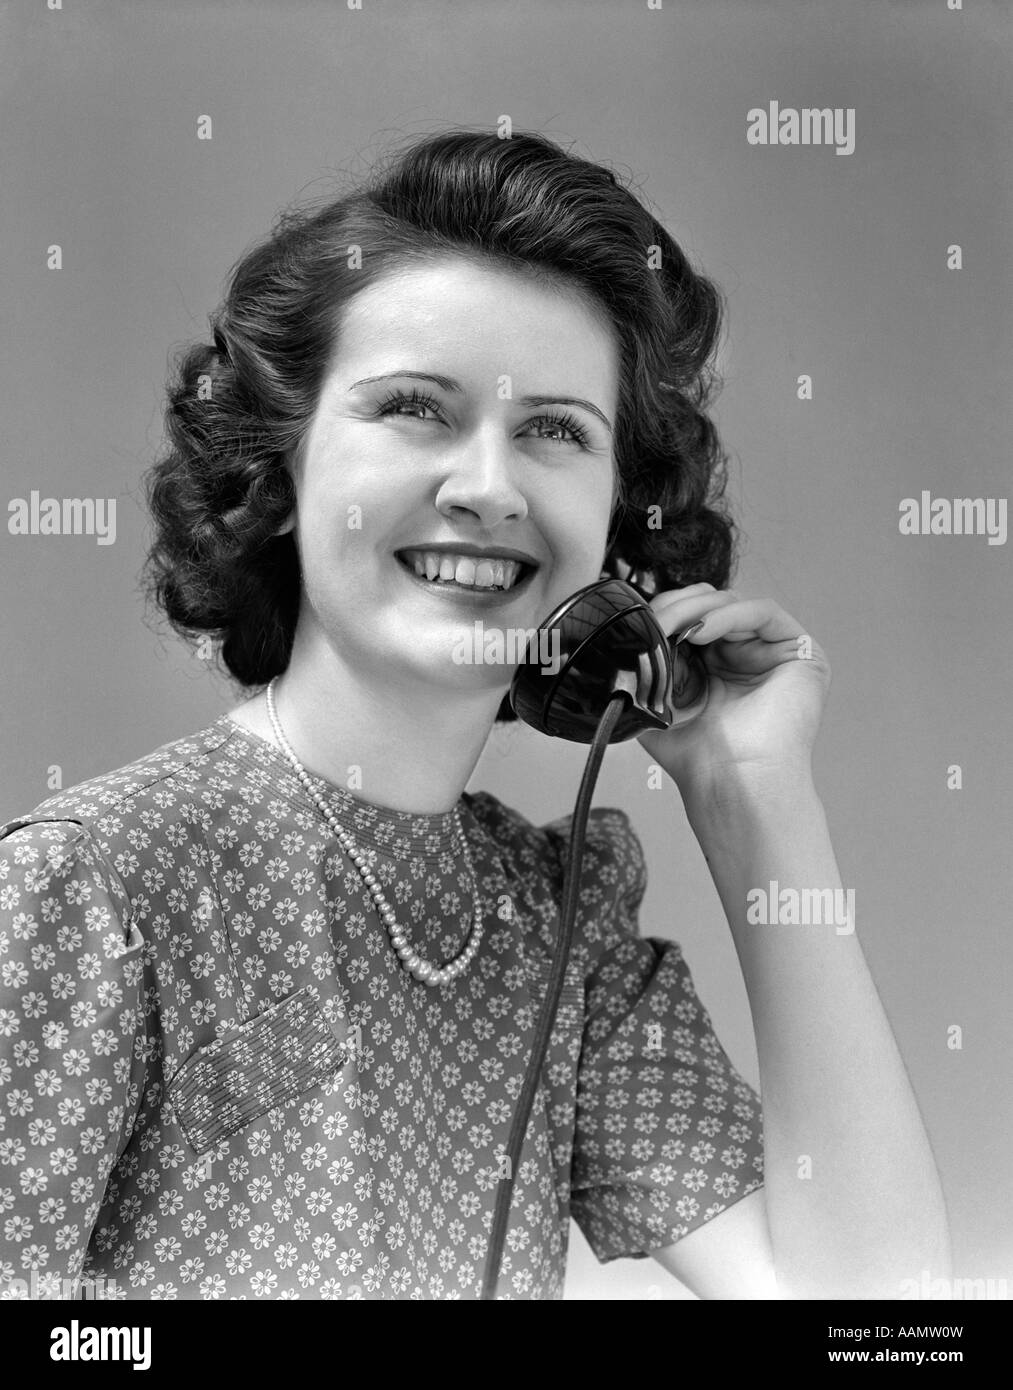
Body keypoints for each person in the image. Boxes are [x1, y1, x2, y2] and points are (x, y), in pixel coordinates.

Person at [0, 128, 948, 1301]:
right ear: (281, 472)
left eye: (555, 430)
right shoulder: (91, 887)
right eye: (414, 408)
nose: (488, 487)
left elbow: (880, 1320)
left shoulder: (560, 926)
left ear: (614, 524)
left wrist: (754, 794)